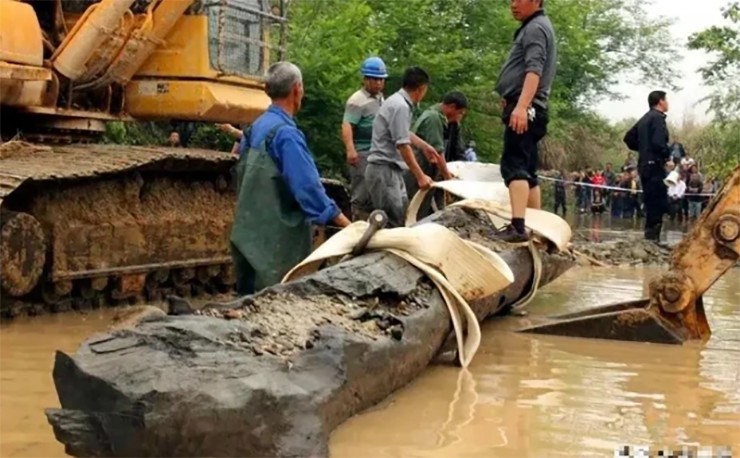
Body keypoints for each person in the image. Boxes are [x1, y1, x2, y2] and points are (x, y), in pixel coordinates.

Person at [230, 61, 351, 296]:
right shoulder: (286, 135)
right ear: (297, 90)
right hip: (277, 248)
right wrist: (349, 227)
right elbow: (308, 188)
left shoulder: (254, 128)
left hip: (246, 239)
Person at [493, 0, 557, 243]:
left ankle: (518, 226)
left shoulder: (535, 28)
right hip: (531, 106)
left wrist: (520, 105)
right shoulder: (539, 26)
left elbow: (534, 70)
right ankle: (536, 226)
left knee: (515, 166)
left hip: (526, 107)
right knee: (528, 170)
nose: (513, 4)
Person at [365, 66, 440, 228]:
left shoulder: (396, 102)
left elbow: (402, 132)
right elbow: (402, 145)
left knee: (402, 216)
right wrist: (420, 176)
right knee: (392, 222)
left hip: (392, 171)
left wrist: (424, 146)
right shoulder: (400, 106)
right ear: (421, 89)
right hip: (384, 170)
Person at [341, 57, 387, 220]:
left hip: (378, 152)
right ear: (365, 79)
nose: (378, 83)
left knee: (377, 192)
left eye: (381, 79)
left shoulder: (381, 98)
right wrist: (350, 149)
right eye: (374, 79)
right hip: (362, 152)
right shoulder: (357, 100)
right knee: (361, 192)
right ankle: (357, 223)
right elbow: (347, 125)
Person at [623, 90, 671, 241]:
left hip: (644, 165)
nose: (668, 103)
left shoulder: (644, 119)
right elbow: (658, 143)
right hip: (654, 165)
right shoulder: (657, 118)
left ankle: (650, 238)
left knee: (651, 200)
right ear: (660, 102)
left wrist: (644, 148)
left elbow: (628, 138)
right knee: (658, 201)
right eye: (666, 100)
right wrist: (666, 154)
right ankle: (653, 239)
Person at [404, 91, 464, 208]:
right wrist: (448, 178)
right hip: (420, 167)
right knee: (416, 206)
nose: (460, 117)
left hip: (429, 170)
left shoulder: (442, 119)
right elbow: (438, 152)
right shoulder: (433, 118)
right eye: (460, 113)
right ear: (452, 107)